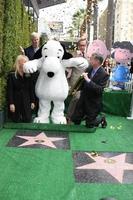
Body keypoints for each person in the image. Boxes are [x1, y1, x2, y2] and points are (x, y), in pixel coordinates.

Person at [71, 53, 109, 128]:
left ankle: (101, 119)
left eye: (91, 59)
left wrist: (88, 80)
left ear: (97, 61)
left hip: (93, 102)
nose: (89, 60)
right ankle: (85, 117)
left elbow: (99, 90)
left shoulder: (104, 74)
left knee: (90, 124)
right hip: (83, 97)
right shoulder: (89, 69)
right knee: (75, 120)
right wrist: (75, 89)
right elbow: (82, 82)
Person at [7, 55, 35, 122]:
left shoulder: (28, 74)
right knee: (16, 120)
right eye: (25, 62)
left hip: (26, 101)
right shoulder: (12, 74)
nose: (26, 63)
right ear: (19, 62)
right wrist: (11, 103)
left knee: (28, 120)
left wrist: (33, 101)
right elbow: (10, 90)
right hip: (16, 102)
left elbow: (31, 89)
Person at [66, 38, 88, 123]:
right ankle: (69, 117)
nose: (83, 47)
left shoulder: (87, 55)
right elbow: (68, 66)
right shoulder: (73, 54)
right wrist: (75, 57)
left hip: (85, 80)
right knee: (76, 98)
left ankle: (80, 117)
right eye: (81, 45)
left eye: (84, 45)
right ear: (78, 46)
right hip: (75, 80)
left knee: (84, 98)